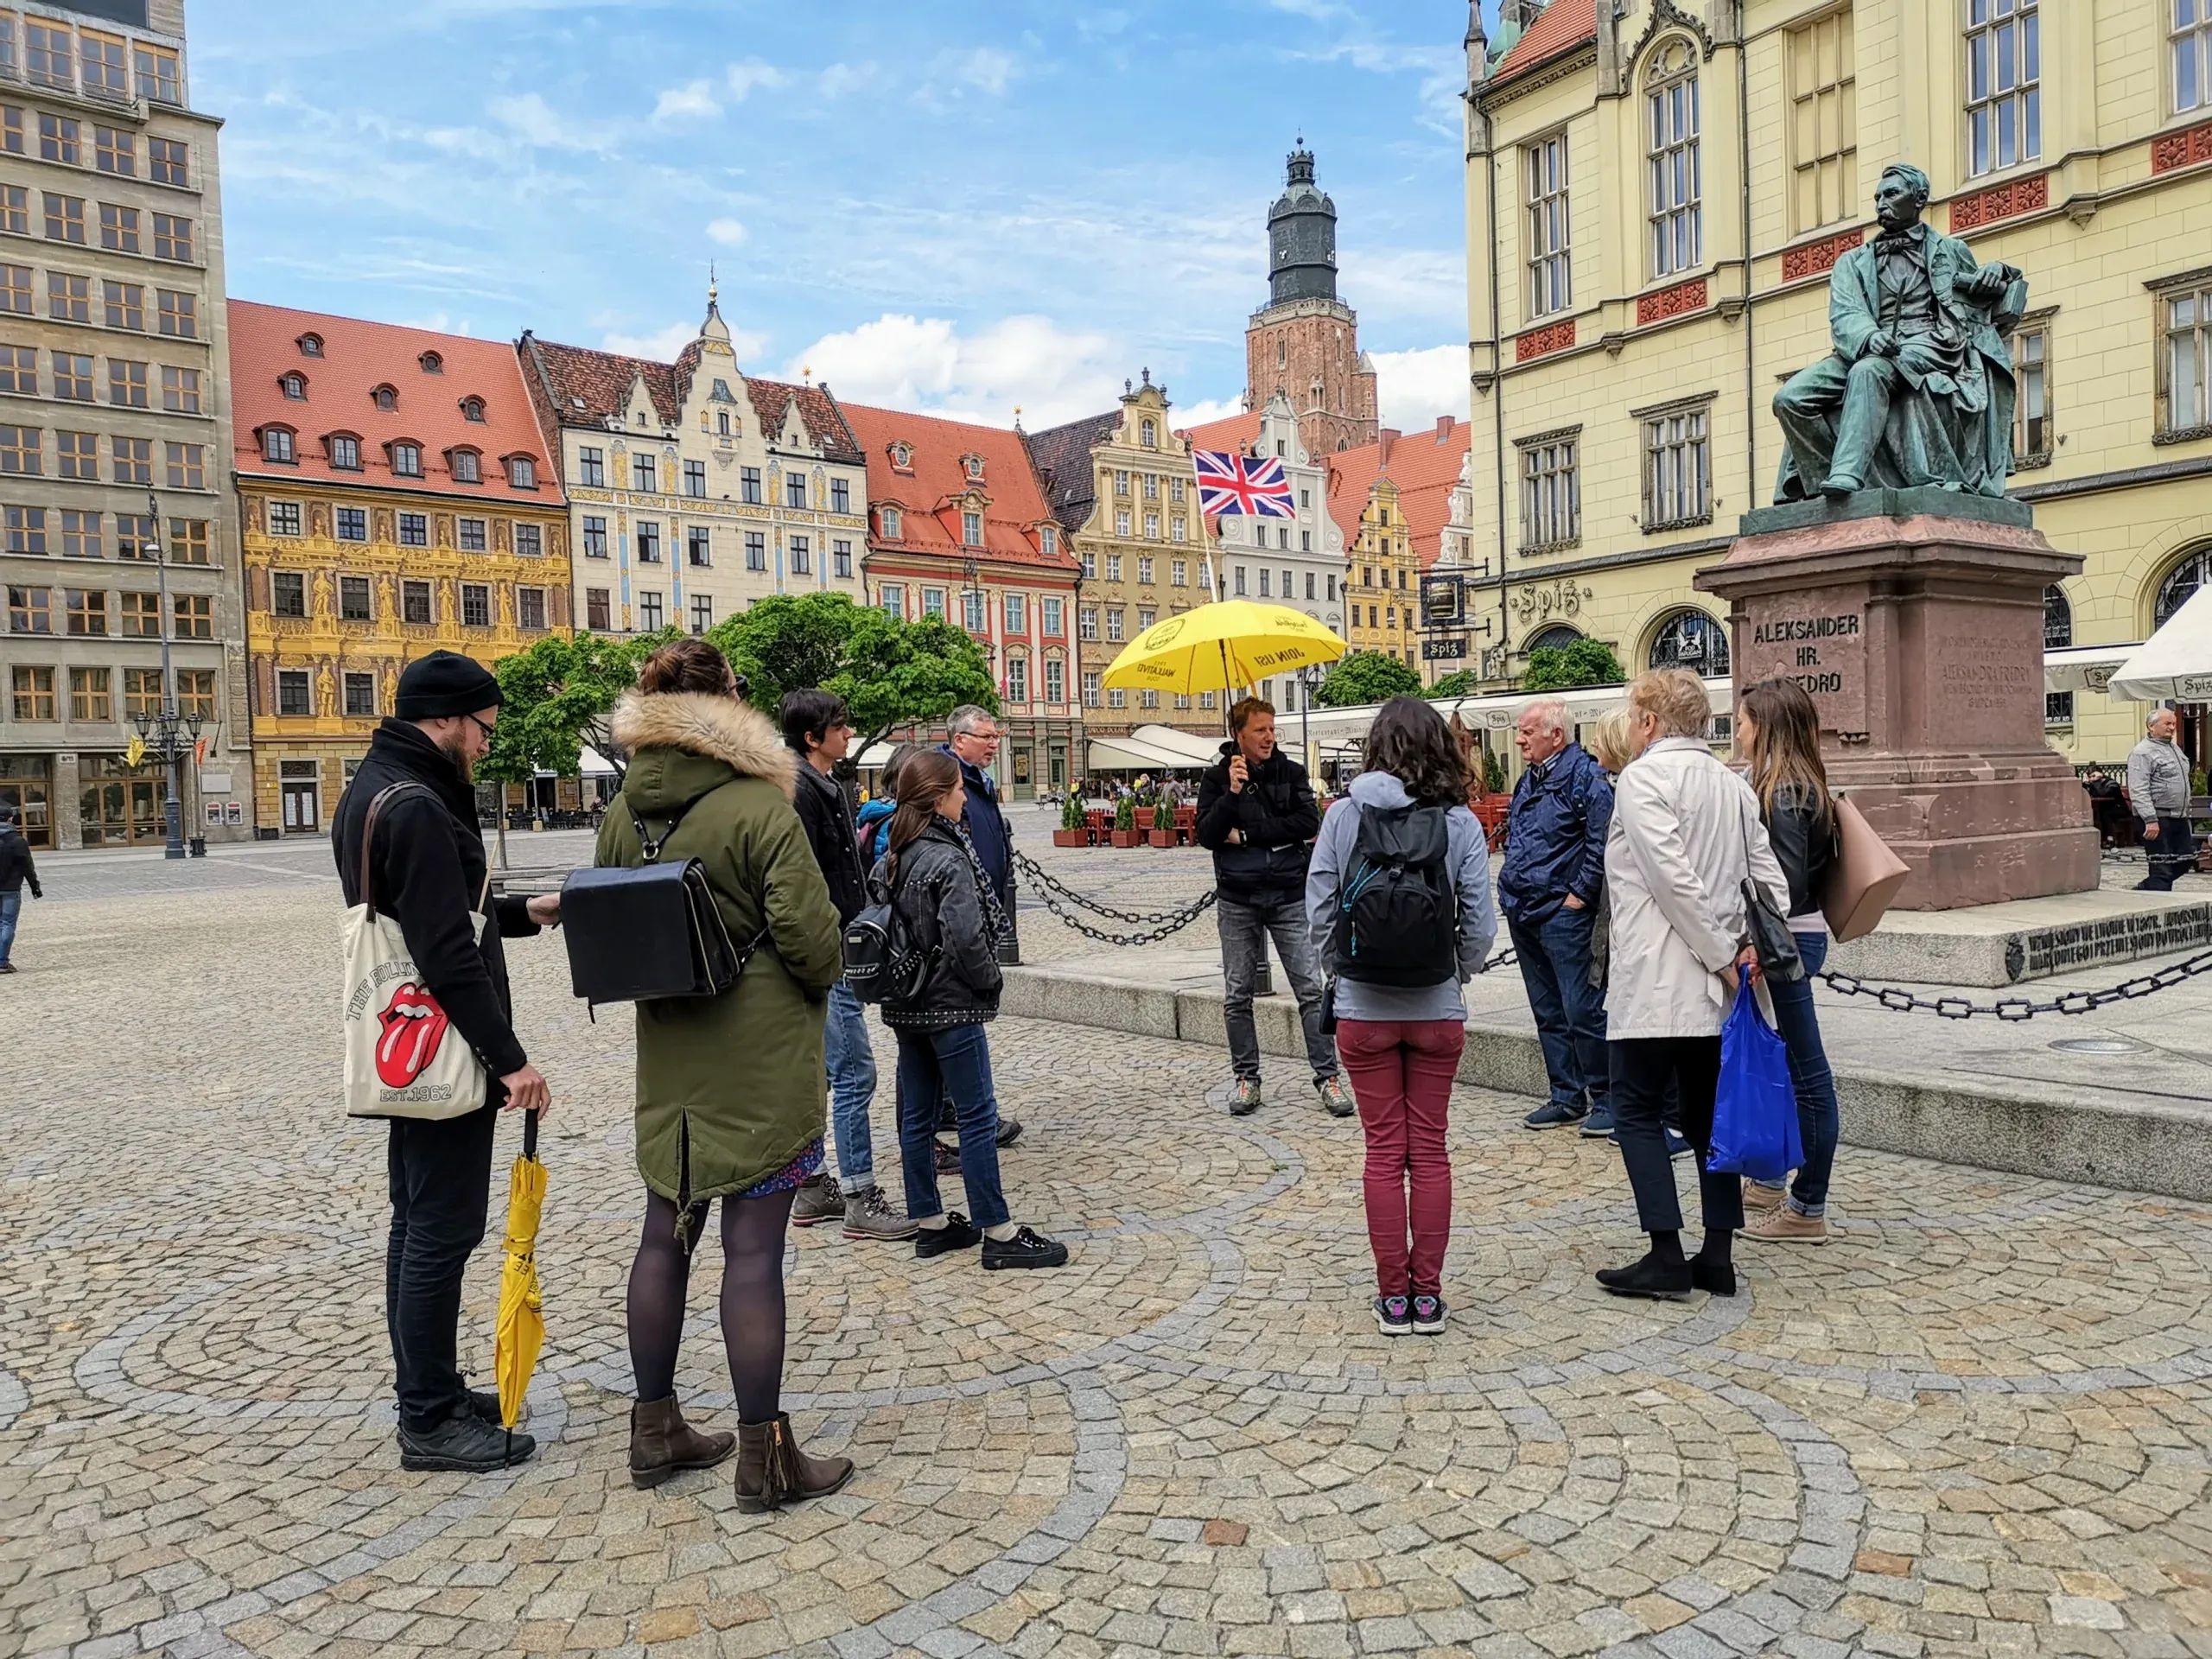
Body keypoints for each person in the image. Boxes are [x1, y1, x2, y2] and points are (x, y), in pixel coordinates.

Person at [597, 639, 854, 1509]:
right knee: (752, 1253)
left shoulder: (621, 811)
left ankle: (654, 1428)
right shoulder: (758, 806)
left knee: (660, 1239)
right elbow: (816, 947)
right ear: (730, 708)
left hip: (669, 1056)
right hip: (758, 1057)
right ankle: (764, 1459)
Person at [332, 649, 559, 1474]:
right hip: (445, 1048)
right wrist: (510, 1062)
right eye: (485, 728)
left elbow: (432, 913)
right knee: (442, 1230)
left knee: (415, 1222)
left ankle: (428, 1385)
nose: (490, 743)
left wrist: (526, 912)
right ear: (448, 719)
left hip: (405, 1041)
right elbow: (443, 950)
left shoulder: (374, 786)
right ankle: (426, 1418)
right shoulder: (421, 805)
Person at [1596, 669, 1789, 1303]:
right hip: (1722, 985)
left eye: (1634, 716)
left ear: (1649, 721)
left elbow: (1672, 881)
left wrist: (1721, 956)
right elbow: (1770, 879)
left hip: (1662, 976)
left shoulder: (1643, 779)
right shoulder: (1730, 784)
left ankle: (1665, 1250)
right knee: (1710, 1118)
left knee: (1635, 1109)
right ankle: (1718, 1253)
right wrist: (1750, 945)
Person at [1306, 698, 1496, 1336]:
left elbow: (1319, 911)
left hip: (1364, 1012)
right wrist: (1455, 972)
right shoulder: (1461, 823)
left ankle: (1394, 1300)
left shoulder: (1342, 815)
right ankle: (1429, 1297)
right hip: (1438, 1008)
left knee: (1384, 1153)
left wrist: (1345, 968)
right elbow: (1480, 924)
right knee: (1431, 1153)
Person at [873, 751, 1068, 1269]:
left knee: (915, 1118)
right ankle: (998, 1232)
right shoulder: (949, 858)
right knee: (978, 1117)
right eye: (958, 789)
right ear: (938, 800)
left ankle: (931, 1223)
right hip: (952, 1006)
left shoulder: (894, 853)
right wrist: (992, 981)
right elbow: (966, 938)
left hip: (906, 1003)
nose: (966, 797)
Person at [783, 690, 914, 1243]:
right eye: (839, 726)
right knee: (854, 1071)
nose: (849, 732)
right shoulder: (800, 789)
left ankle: (813, 1186)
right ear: (813, 737)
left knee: (823, 1073)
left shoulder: (823, 783)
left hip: (834, 943)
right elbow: (801, 878)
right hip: (823, 950)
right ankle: (859, 1195)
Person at [1196, 697, 1353, 1117]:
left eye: (1272, 728)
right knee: (1237, 993)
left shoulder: (1292, 771)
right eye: (1260, 730)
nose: (1269, 737)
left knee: (1310, 988)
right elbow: (1207, 834)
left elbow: (1307, 823)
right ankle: (1246, 1078)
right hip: (1238, 897)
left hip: (1288, 894)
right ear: (1239, 735)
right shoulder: (1215, 778)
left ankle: (1328, 1076)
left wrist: (1247, 836)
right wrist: (1232, 793)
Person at [1734, 681, 1843, 1245]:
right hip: (1797, 938)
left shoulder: (1783, 793)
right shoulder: (1805, 785)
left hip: (1786, 944)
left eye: (1745, 721)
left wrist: (1754, 943)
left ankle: (1807, 1205)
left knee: (1807, 1074)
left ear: (1767, 726)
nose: (1739, 731)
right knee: (1787, 1066)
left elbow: (1784, 886)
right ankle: (1774, 1181)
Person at [1497, 697, 1615, 1135]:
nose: (1520, 738)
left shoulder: (1586, 778)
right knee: (1547, 1010)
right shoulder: (1530, 778)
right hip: (1524, 908)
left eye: (1528, 731)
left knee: (1581, 1008)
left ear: (1556, 735)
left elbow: (1601, 841)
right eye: (1521, 731)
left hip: (1562, 913)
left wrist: (1579, 894)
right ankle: (1566, 1096)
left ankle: (1606, 1099)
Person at [938, 707, 1023, 1147]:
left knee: (962, 1023)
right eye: (986, 737)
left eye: (997, 736)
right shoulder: (949, 782)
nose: (994, 743)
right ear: (959, 740)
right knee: (960, 1022)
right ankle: (972, 1115)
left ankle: (954, 1108)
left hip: (980, 916)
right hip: (960, 922)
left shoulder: (978, 781)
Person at [2127, 709, 2195, 892]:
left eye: (2173, 724)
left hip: (2178, 817)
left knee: (2186, 859)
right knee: (2162, 868)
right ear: (2151, 726)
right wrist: (2150, 820)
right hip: (2157, 818)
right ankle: (2157, 903)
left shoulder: (2173, 748)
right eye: (2167, 724)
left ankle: (2147, 887)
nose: (2172, 728)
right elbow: (2138, 789)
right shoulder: (2142, 753)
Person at [0, 801, 41, 973]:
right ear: (10, 819)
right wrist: (35, 887)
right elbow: (27, 867)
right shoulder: (18, 841)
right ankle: (2, 962)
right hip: (11, 888)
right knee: (7, 923)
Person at [2081, 766, 2129, 849]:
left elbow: (2104, 794)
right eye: (2089, 776)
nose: (2091, 778)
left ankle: (2110, 838)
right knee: (2098, 813)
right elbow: (2091, 794)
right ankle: (2098, 839)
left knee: (2105, 814)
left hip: (2119, 808)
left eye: (2093, 775)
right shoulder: (2095, 784)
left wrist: (2092, 784)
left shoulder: (2111, 783)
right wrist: (2087, 783)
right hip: (2104, 808)